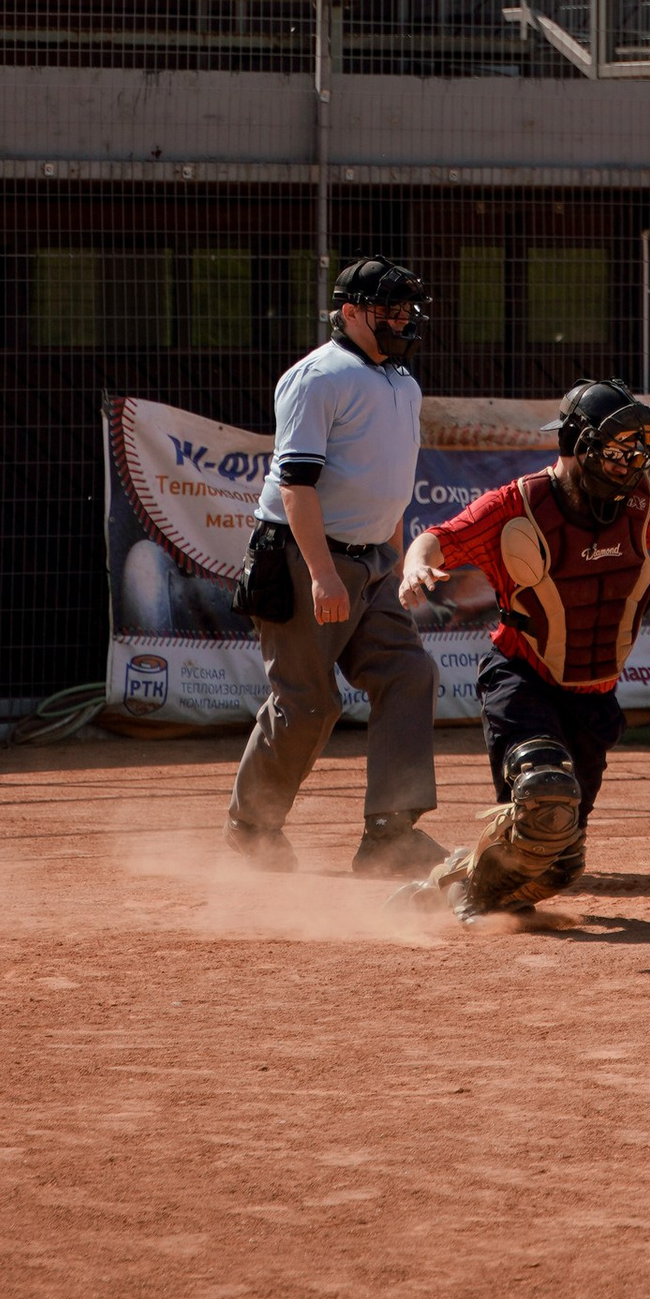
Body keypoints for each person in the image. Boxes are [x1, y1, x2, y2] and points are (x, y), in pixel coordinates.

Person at [397, 380, 650, 918]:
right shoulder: (519, 505)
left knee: (558, 860)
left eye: (638, 453)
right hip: (521, 677)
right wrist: (416, 564)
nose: (631, 465)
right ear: (578, 445)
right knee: (545, 795)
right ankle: (468, 902)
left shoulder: (642, 501)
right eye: (617, 452)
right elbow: (438, 537)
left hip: (593, 696)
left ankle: (450, 886)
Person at [225, 255, 443, 879]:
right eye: (388, 311)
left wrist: (398, 563)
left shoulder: (403, 382)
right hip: (304, 557)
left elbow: (391, 485)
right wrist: (321, 575)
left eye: (406, 309)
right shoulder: (318, 377)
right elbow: (295, 485)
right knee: (306, 702)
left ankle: (389, 837)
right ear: (349, 313)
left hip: (373, 562)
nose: (402, 320)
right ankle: (250, 829)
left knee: (408, 674)